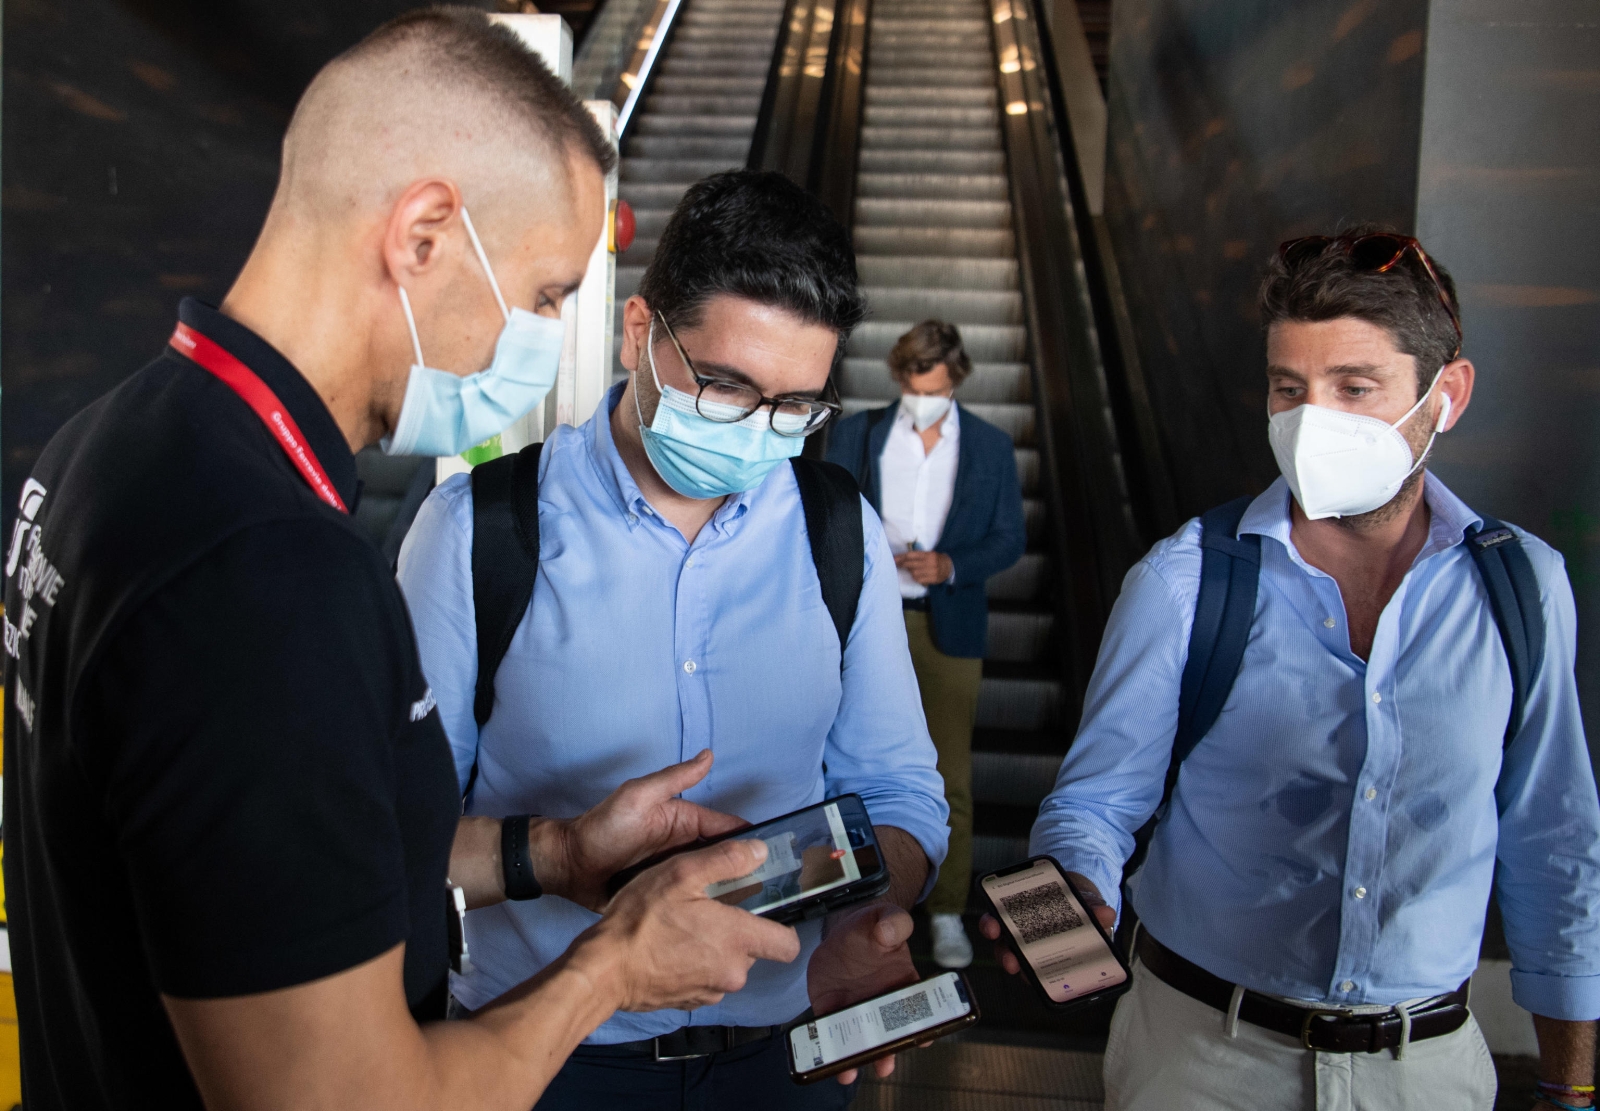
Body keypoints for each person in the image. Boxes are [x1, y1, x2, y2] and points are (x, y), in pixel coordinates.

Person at [1, 11, 802, 1110]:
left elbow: (267, 870)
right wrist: (614, 962)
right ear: (423, 234)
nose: (543, 338)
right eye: (548, 295)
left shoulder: (112, 444)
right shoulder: (265, 575)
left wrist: (558, 853)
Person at [986, 230, 1600, 1110]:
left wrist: (1571, 1082)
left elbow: (1555, 839)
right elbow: (1092, 803)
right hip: (1202, 1059)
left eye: (1355, 387)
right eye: (1289, 389)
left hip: (1424, 1069)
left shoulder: (1521, 587)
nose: (1314, 422)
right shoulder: (1186, 580)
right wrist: (1074, 890)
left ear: (1446, 394)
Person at [397, 169, 951, 1111]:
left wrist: (866, 906)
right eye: (727, 386)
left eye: (794, 408)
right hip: (543, 1058)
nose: (757, 433)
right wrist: (555, 853)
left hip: (780, 1057)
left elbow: (901, 794)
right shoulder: (477, 534)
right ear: (640, 332)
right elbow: (389, 847)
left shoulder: (834, 528)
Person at [825, 320, 1026, 969]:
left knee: (950, 777)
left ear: (956, 380)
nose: (920, 399)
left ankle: (944, 913)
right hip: (864, 619)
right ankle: (846, 906)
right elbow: (821, 517)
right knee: (837, 767)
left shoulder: (991, 448)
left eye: (932, 388)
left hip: (948, 624)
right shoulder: (856, 434)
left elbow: (1009, 537)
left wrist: (952, 565)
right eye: (911, 386)